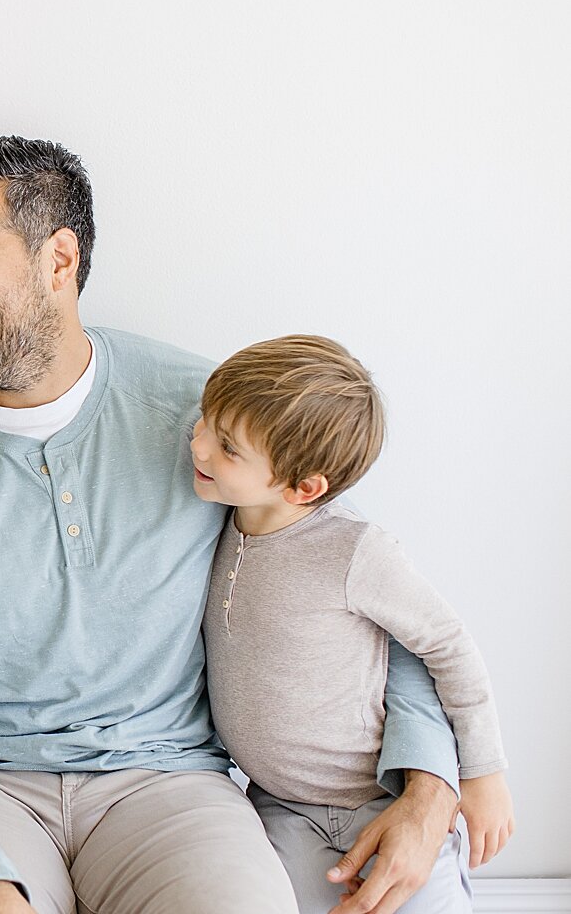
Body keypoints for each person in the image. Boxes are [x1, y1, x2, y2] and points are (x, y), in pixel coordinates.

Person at [0, 135, 464, 914]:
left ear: (58, 260)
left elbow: (354, 591)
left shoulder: (208, 417)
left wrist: (432, 782)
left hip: (170, 784)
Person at [192, 334, 513, 912]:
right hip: (279, 808)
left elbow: (447, 646)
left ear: (303, 486)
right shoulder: (212, 529)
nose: (198, 446)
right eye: (204, 422)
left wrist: (483, 773)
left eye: (227, 446)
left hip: (380, 799)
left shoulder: (354, 550)